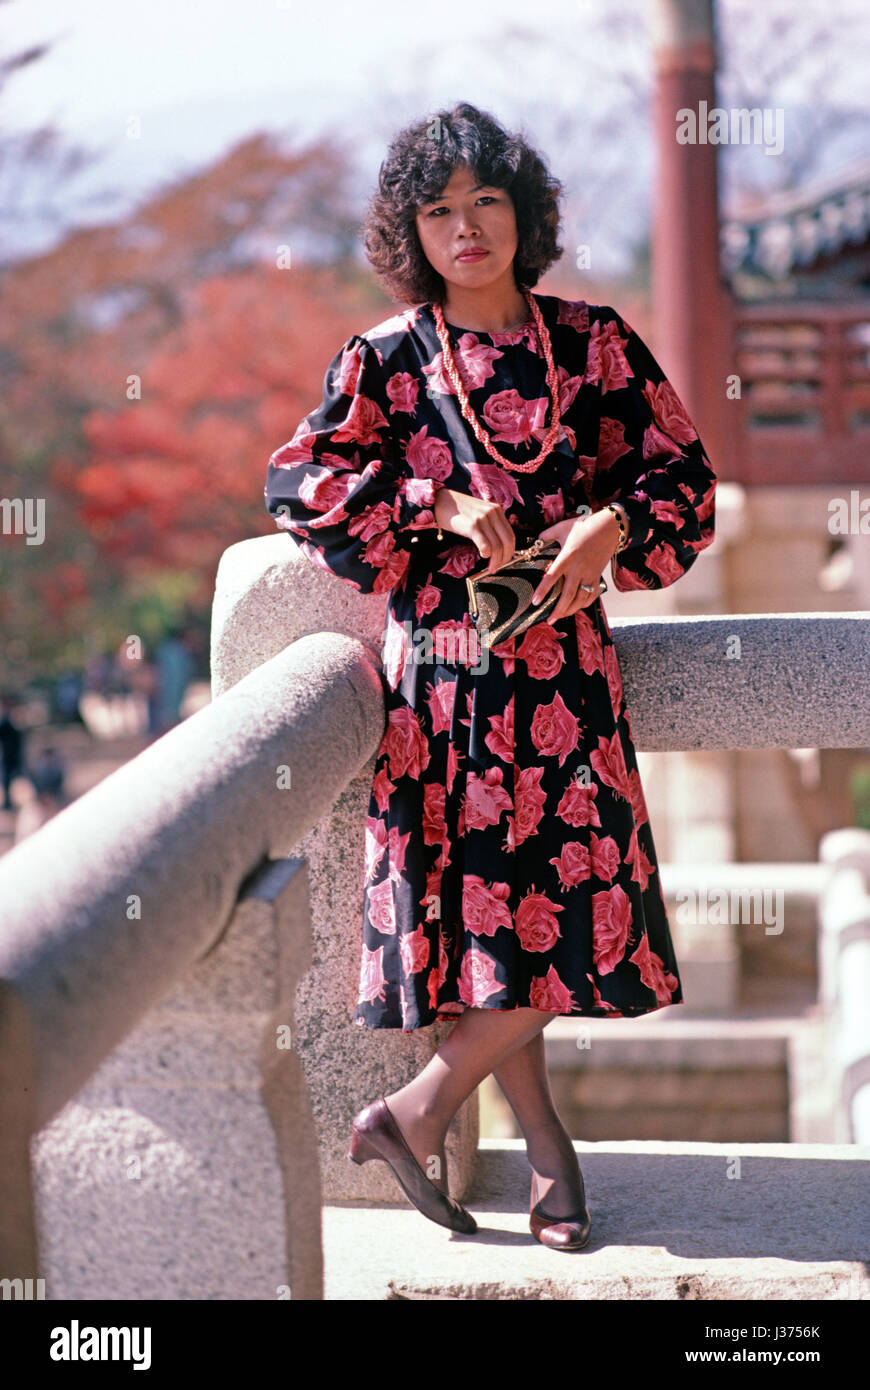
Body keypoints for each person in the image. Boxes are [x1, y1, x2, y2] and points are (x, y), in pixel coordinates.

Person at [264, 102, 717, 1251]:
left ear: (525, 210)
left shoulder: (596, 343)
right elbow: (298, 485)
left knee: (566, 908)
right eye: (439, 208)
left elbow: (688, 486)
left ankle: (412, 1114)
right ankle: (547, 1153)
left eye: (488, 201)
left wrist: (608, 525)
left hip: (566, 682)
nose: (467, 228)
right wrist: (436, 503)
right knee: (482, 929)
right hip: (443, 692)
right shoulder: (384, 359)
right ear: (411, 229)